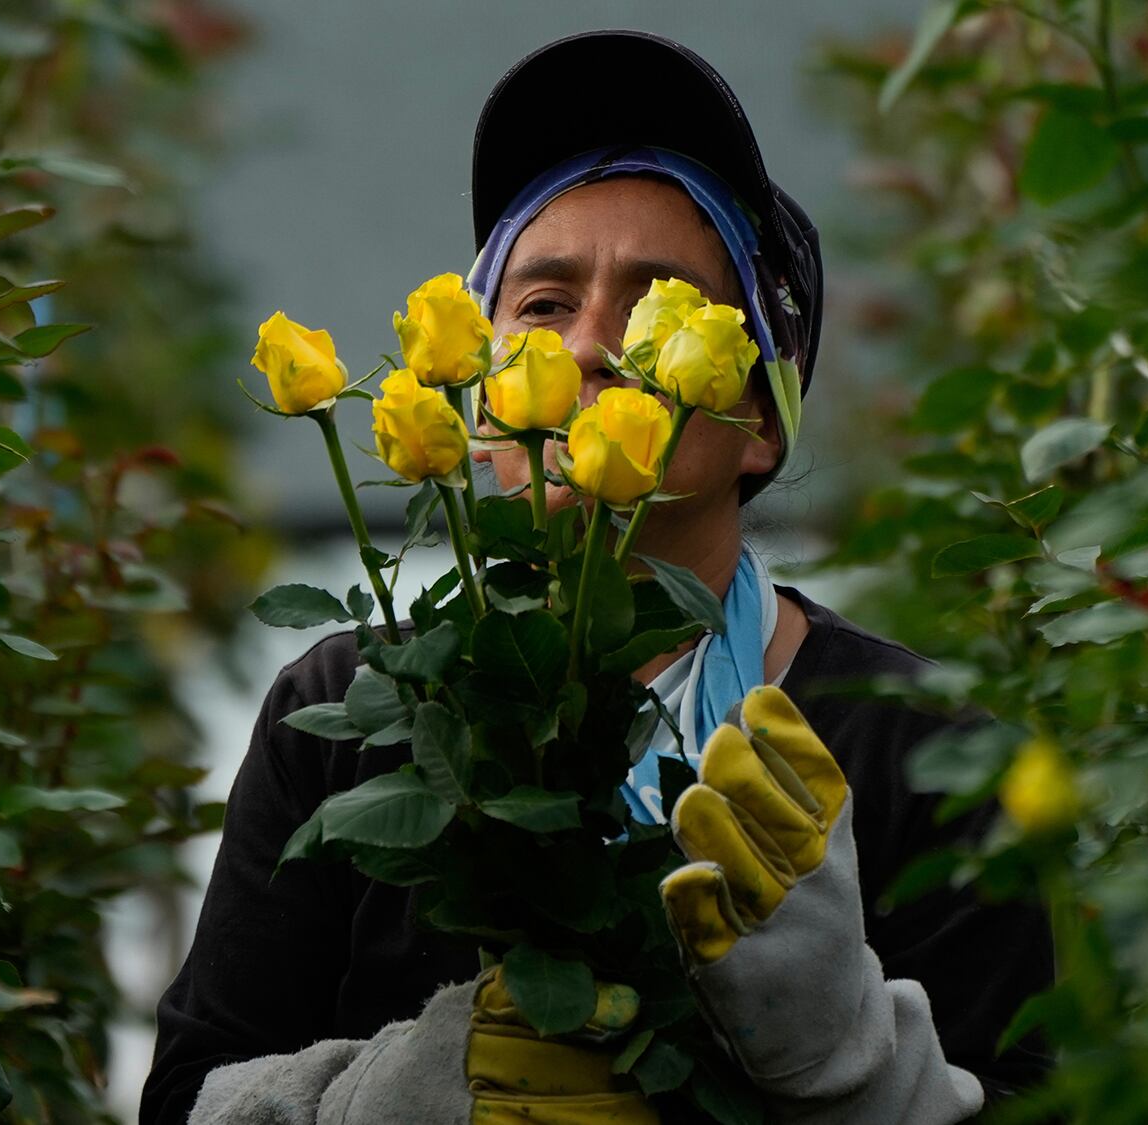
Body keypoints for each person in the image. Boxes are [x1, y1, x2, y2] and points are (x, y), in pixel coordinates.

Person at [141, 30, 1052, 1125]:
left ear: (757, 419)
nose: (587, 346)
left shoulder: (919, 745)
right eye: (540, 306)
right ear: (477, 408)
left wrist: (853, 1072)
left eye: (657, 305)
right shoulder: (348, 712)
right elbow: (186, 1097)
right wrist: (399, 1096)